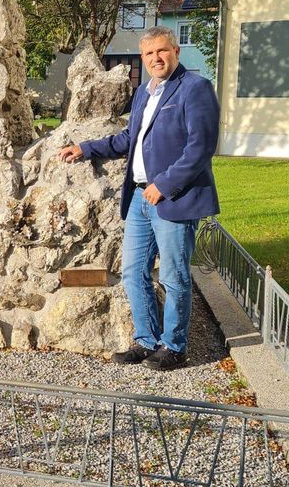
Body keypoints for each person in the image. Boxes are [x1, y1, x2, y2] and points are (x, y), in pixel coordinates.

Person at [59, 26, 220, 371]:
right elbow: (128, 138)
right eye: (149, 54)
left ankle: (174, 347)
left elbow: (201, 147)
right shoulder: (144, 93)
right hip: (138, 199)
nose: (156, 59)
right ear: (143, 58)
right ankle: (147, 340)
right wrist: (85, 149)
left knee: (174, 277)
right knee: (133, 273)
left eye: (162, 51)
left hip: (172, 199)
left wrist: (164, 184)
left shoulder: (195, 88)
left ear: (176, 51)